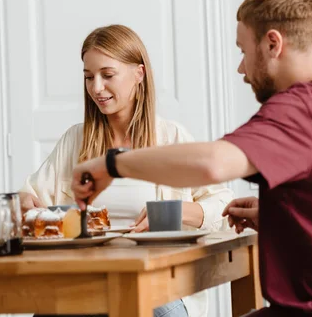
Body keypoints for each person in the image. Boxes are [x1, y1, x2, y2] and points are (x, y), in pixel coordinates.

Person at [70, 0, 312, 317]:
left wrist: (111, 164)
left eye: (244, 51)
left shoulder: (303, 108)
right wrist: (280, 220)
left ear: (273, 44)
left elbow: (214, 164)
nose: (241, 68)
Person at [18, 24, 234, 317]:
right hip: (86, 280)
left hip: (157, 283)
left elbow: (223, 207)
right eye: (88, 77)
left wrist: (177, 211)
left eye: (107, 75)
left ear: (139, 74)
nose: (96, 87)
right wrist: (23, 204)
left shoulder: (170, 138)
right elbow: (29, 197)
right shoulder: (75, 140)